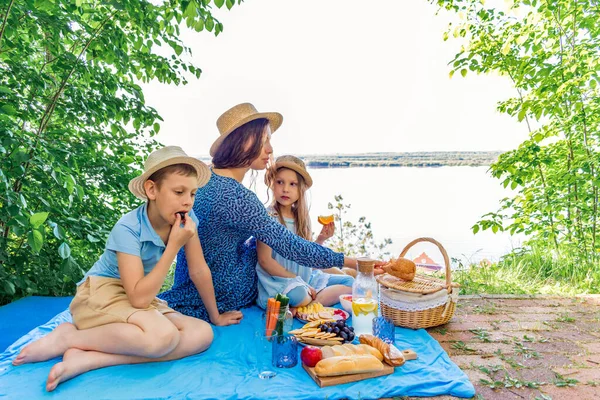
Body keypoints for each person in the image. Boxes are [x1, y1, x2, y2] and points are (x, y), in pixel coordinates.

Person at [12, 146, 229, 391]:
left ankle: (91, 359)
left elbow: (198, 270)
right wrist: (173, 248)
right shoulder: (127, 227)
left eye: (192, 193)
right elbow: (138, 298)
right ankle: (69, 337)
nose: (187, 201)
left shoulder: (188, 222)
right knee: (163, 337)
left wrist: (215, 316)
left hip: (138, 293)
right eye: (179, 192)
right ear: (151, 189)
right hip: (102, 292)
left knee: (202, 333)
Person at [159, 103, 372, 320]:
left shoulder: (203, 179)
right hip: (223, 292)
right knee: (277, 245)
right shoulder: (236, 197)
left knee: (273, 243)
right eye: (265, 140)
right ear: (243, 141)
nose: (270, 150)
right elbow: (291, 246)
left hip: (189, 283)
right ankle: (307, 293)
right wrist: (353, 261)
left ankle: (311, 285)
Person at [256, 155, 354, 308]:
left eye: (293, 184)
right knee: (299, 295)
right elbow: (265, 261)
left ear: (301, 189)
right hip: (279, 281)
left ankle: (308, 304)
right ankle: (308, 303)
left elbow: (307, 257)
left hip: (305, 278)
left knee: (350, 282)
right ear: (271, 184)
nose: (286, 189)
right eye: (280, 182)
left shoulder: (302, 218)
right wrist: (297, 281)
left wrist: (320, 240)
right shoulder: (267, 217)